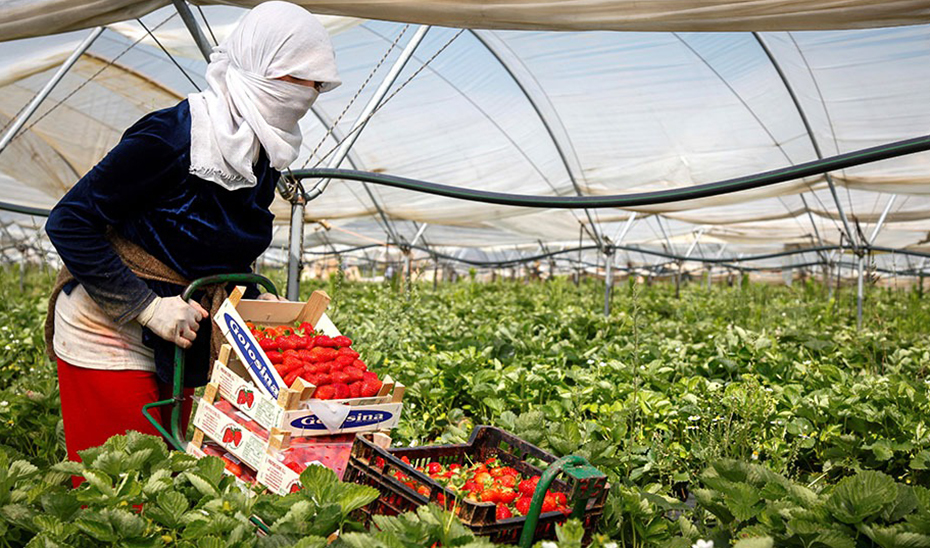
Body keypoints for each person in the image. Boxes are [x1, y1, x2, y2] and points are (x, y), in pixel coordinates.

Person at [44, 1, 340, 473]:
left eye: (316, 84)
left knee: (173, 478)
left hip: (182, 333)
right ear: (257, 65)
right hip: (109, 323)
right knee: (124, 483)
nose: (307, 94)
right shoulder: (173, 136)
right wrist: (147, 307)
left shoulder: (261, 151)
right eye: (295, 78)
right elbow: (68, 221)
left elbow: (224, 244)